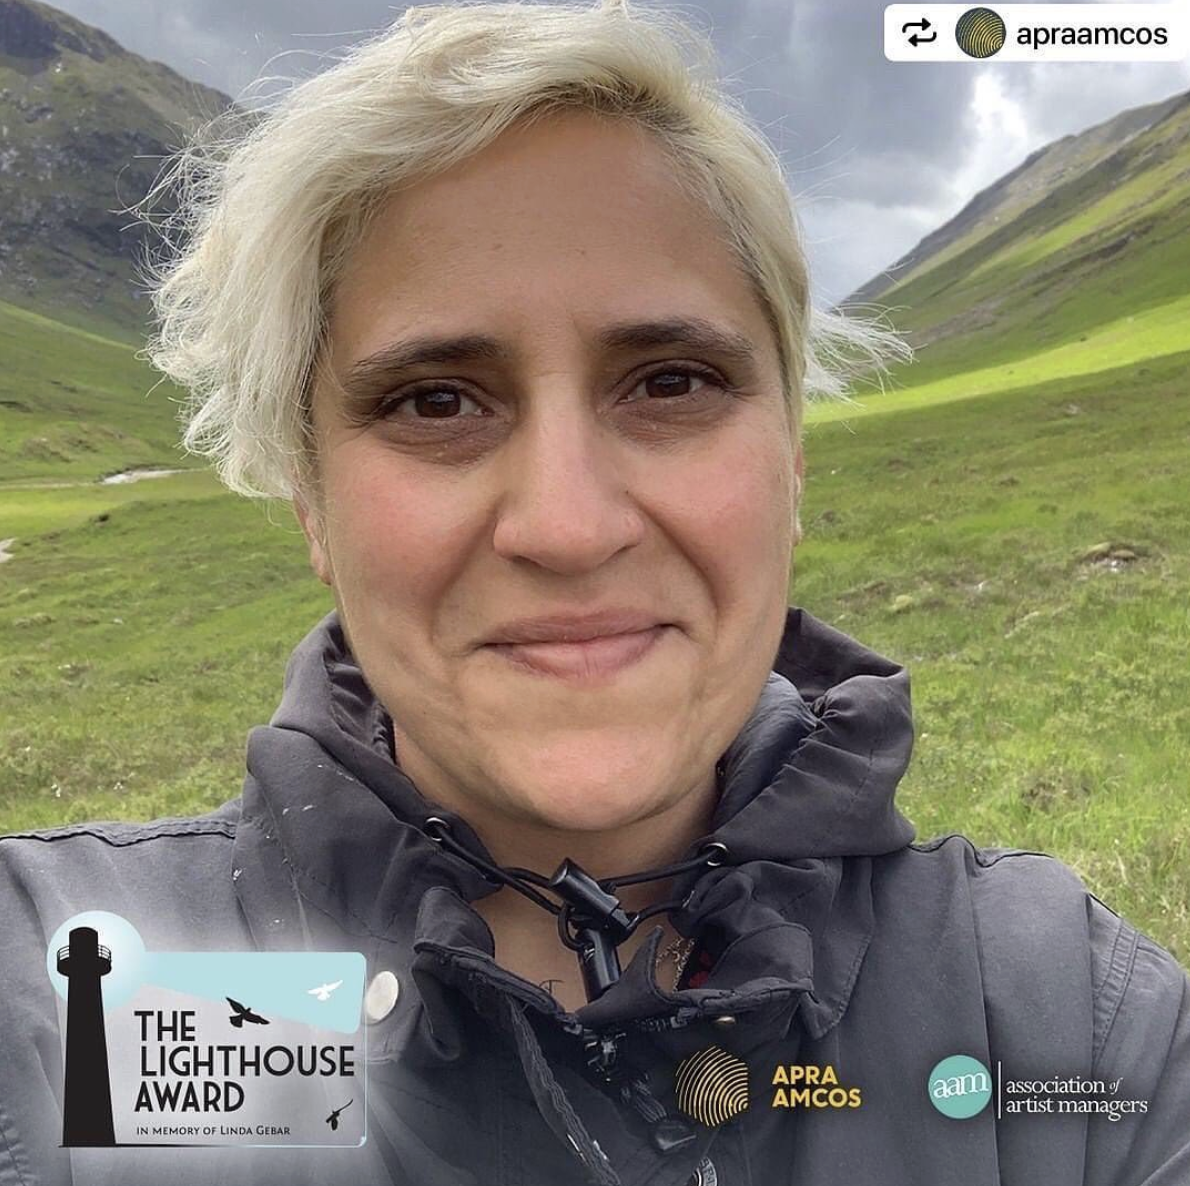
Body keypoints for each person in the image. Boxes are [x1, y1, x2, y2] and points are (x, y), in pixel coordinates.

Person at [1, 1, 1187, 1183]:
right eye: (435, 401)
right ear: (310, 497)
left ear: (789, 460)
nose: (567, 527)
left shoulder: (1065, 1012)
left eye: (669, 382)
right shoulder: (63, 986)